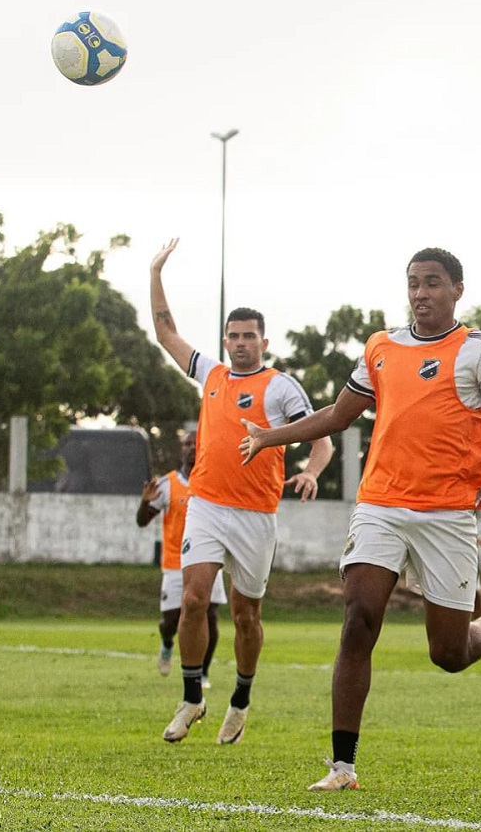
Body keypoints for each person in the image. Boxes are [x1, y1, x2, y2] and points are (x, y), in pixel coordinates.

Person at [239, 246, 481, 792]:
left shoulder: (478, 350)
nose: (421, 293)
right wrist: (267, 437)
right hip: (379, 505)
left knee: (448, 654)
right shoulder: (381, 347)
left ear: (457, 290)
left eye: (433, 283)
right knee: (358, 621)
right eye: (413, 283)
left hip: (446, 515)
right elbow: (337, 415)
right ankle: (342, 767)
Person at [149, 238, 334, 746]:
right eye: (233, 336)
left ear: (264, 342)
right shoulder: (210, 374)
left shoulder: (280, 386)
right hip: (207, 506)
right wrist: (156, 272)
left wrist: (312, 471)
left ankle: (241, 699)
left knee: (245, 616)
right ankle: (191, 699)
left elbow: (323, 440)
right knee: (192, 599)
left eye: (249, 336)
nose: (240, 343)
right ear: (225, 340)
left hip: (255, 515)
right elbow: (166, 333)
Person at [136, 430, 229, 685]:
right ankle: (167, 642)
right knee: (172, 621)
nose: (191, 448)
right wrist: (145, 504)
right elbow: (143, 522)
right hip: (176, 563)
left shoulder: (214, 481)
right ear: (181, 450)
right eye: (187, 444)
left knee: (210, 616)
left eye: (196, 444)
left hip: (209, 560)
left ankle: (203, 673)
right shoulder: (167, 484)